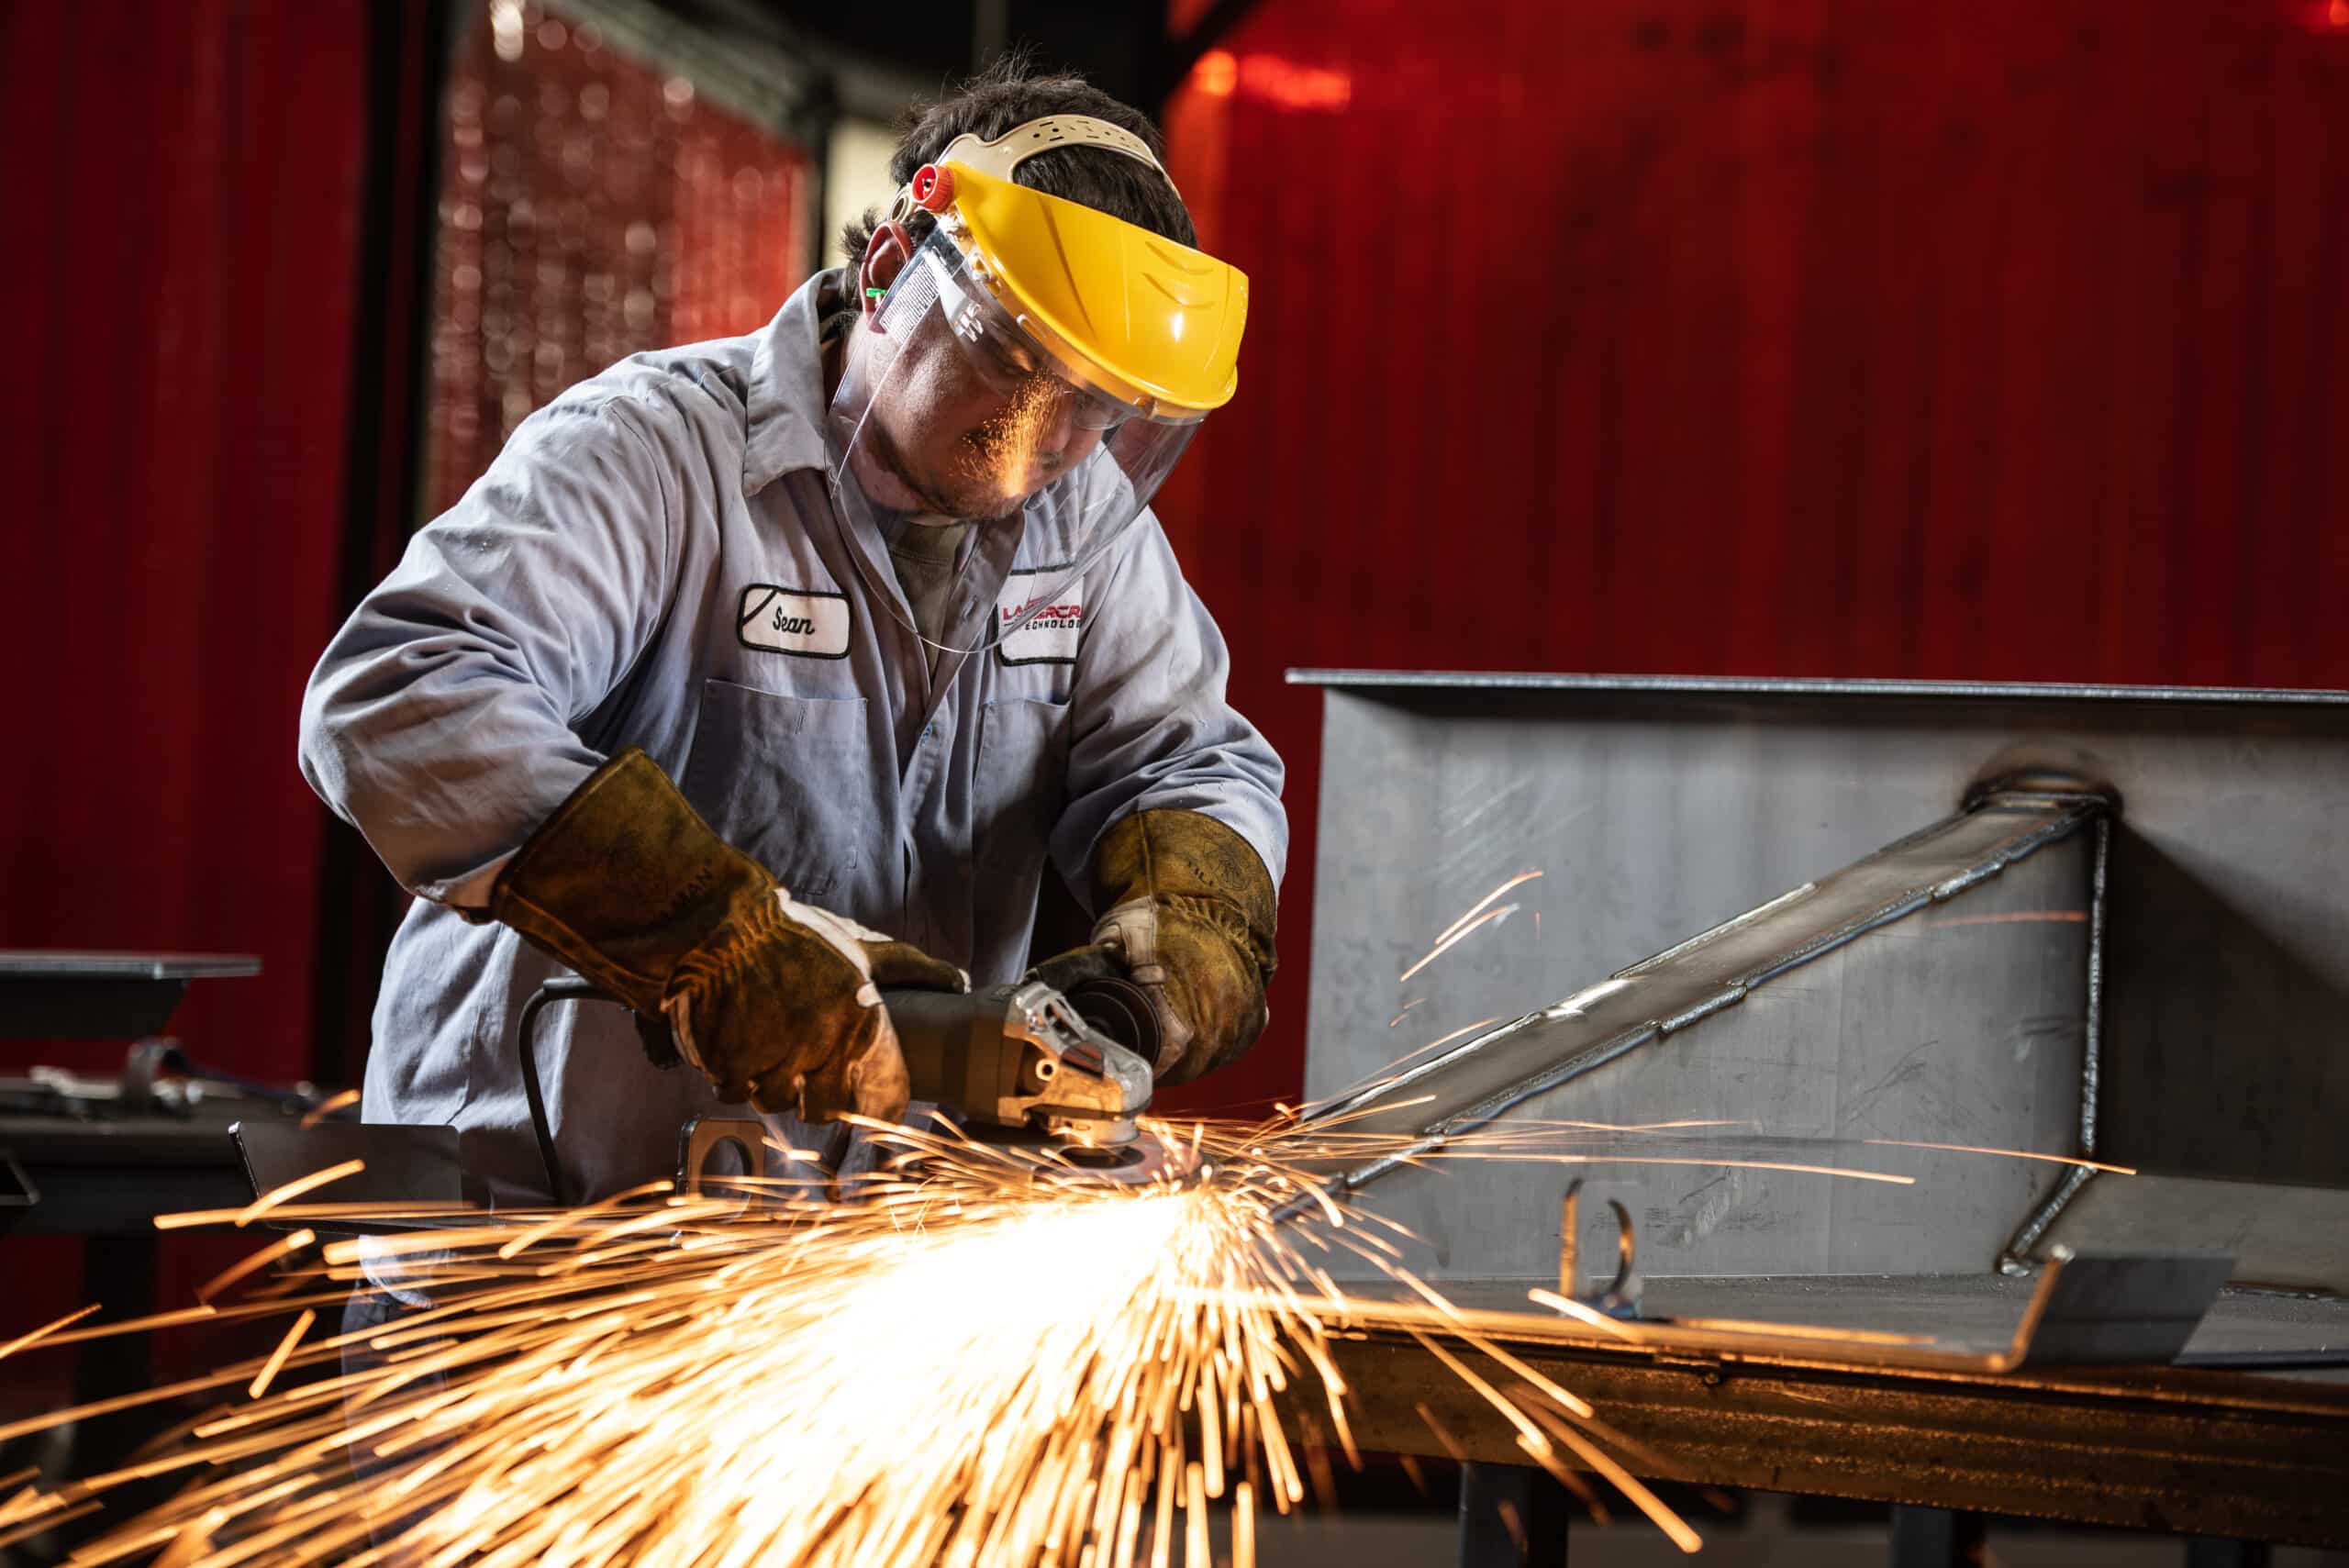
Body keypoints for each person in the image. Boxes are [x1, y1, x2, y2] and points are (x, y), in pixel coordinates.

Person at [298, 60, 1286, 1207]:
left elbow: (1187, 761)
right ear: (889, 268)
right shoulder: (657, 456)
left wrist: (1175, 942)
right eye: (1016, 366)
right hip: (546, 1228)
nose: (1056, 439)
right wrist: (706, 932)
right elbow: (403, 694)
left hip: (851, 1266)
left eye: (1100, 407)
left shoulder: (1081, 532)